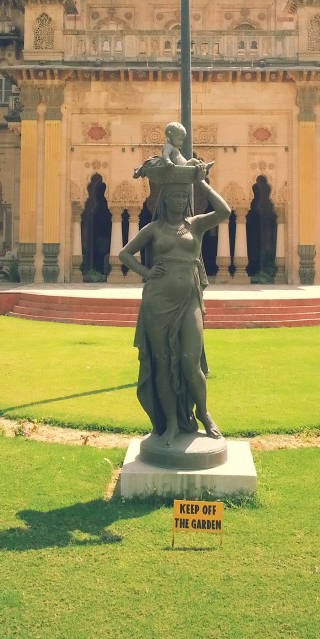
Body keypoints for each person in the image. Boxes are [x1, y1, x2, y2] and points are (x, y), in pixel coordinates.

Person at [119, 165, 230, 447]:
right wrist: (146, 273)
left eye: (184, 197)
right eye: (175, 197)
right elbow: (125, 254)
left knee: (191, 362)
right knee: (164, 364)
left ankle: (203, 414)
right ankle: (170, 424)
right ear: (164, 200)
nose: (180, 201)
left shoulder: (195, 225)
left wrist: (202, 183)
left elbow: (225, 212)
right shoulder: (153, 229)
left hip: (189, 299)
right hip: (158, 303)